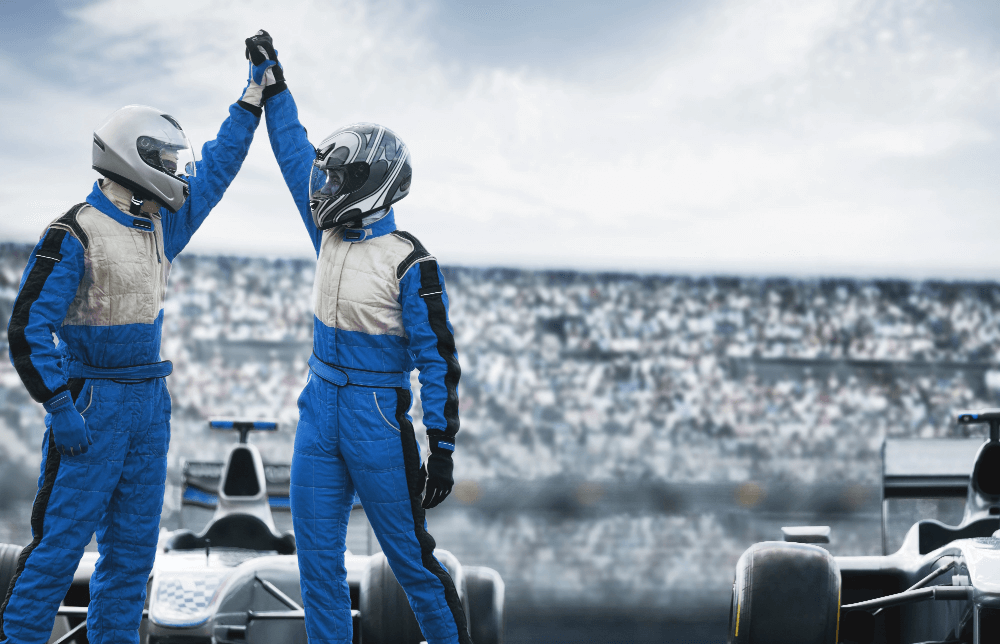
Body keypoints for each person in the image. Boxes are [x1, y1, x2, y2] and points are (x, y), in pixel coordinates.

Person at [1, 46, 269, 644]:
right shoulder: (73, 233)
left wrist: (250, 100)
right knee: (56, 555)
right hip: (93, 407)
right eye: (165, 160)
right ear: (134, 159)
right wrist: (61, 409)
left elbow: (217, 168)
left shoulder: (158, 226)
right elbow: (26, 328)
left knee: (130, 561)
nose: (176, 171)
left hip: (148, 403)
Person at [247, 30, 470, 644]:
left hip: (375, 416)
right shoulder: (331, 234)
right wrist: (276, 85)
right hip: (320, 410)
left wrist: (441, 445)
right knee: (316, 565)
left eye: (337, 176)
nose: (322, 185)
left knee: (412, 563)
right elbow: (296, 152)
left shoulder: (408, 262)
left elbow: (438, 362)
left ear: (371, 184)